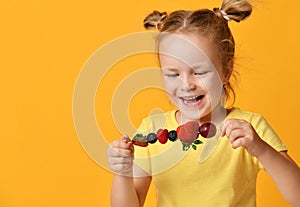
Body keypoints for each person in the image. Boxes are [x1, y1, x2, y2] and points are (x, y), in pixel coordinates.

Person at [106, 0, 300, 206]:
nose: (187, 84)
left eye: (199, 72)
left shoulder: (250, 128)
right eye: (173, 74)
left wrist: (262, 150)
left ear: (226, 70)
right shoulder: (152, 129)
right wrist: (123, 172)